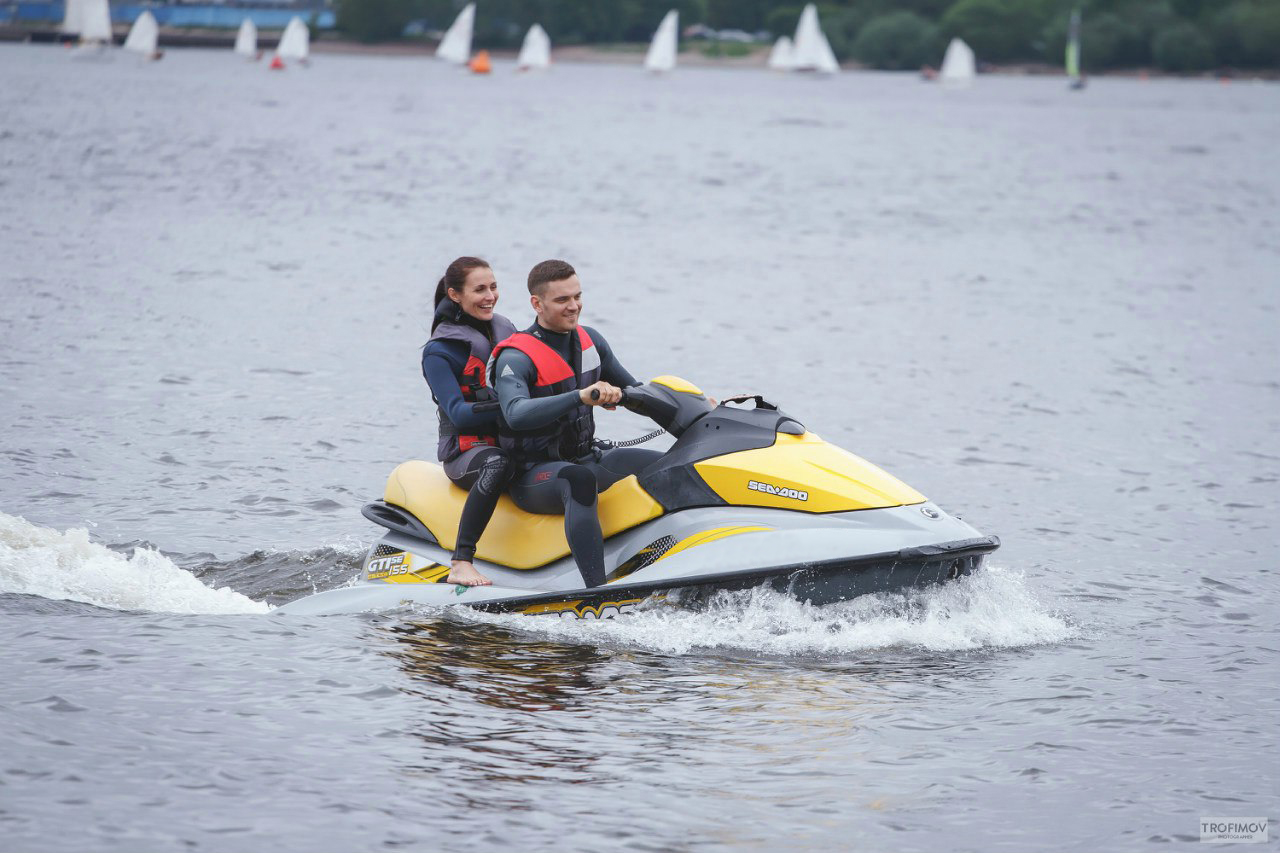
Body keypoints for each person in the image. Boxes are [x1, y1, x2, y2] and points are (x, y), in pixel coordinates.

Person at [489, 259, 662, 588]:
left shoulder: (590, 341)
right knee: (578, 481)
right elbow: (516, 413)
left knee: (669, 465)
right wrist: (580, 397)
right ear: (536, 304)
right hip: (534, 474)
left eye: (577, 296)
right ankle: (597, 591)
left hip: (585, 456)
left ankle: (667, 560)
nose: (574, 306)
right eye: (562, 300)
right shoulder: (516, 357)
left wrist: (695, 407)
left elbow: (635, 392)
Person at [422, 257, 518, 586]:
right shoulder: (439, 352)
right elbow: (459, 413)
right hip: (467, 452)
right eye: (479, 289)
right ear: (455, 295)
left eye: (493, 287)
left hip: (510, 441)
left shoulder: (507, 332)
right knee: (498, 463)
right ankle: (461, 562)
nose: (490, 295)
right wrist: (515, 406)